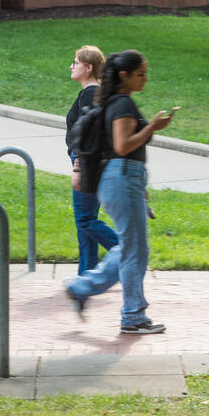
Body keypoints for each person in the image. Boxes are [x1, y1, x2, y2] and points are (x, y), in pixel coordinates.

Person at [65, 50, 174, 334]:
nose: (145, 79)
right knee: (135, 251)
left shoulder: (111, 101)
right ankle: (133, 316)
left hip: (121, 180)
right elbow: (123, 146)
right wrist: (153, 126)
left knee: (130, 248)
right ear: (124, 75)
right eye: (141, 74)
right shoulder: (122, 104)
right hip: (123, 178)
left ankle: (82, 287)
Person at [65, 45, 118, 275]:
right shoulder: (93, 93)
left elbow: (87, 134)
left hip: (86, 164)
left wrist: (78, 165)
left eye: (75, 62)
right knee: (85, 220)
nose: (71, 66)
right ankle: (86, 274)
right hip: (89, 163)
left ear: (88, 67)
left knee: (85, 219)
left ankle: (127, 252)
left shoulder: (90, 94)